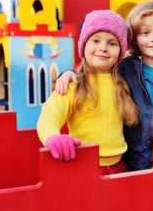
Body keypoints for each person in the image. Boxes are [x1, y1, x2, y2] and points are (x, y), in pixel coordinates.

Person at [55, 0, 153, 170]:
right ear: (133, 37)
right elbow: (98, 70)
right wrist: (70, 73)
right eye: (146, 33)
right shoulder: (127, 68)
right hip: (142, 159)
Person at [37, 10, 138, 175]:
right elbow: (48, 117)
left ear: (120, 50)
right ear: (84, 46)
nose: (103, 48)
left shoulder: (124, 83)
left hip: (119, 166)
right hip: (83, 167)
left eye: (112, 43)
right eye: (95, 40)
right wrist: (53, 138)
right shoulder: (72, 85)